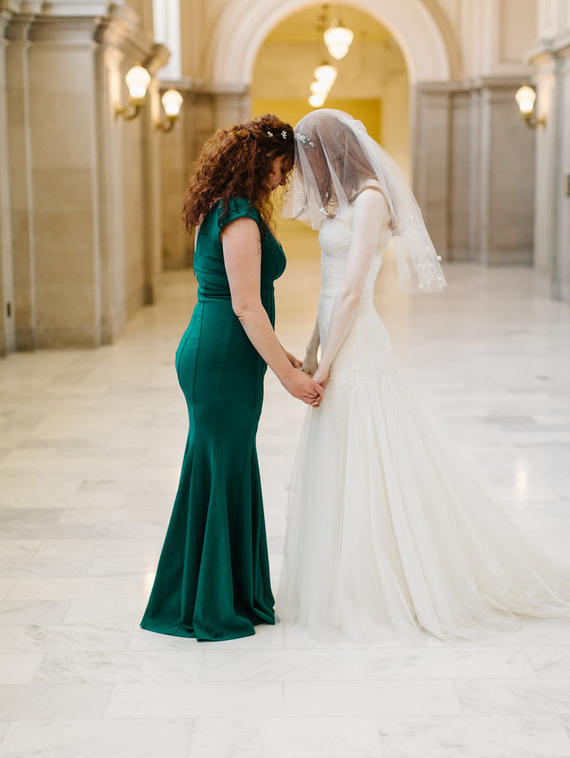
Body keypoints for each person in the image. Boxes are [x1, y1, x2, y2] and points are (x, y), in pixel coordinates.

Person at [278, 108, 570, 644]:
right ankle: (340, 574)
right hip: (335, 335)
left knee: (370, 451)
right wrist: (311, 349)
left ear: (333, 149)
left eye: (311, 155)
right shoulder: (337, 203)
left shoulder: (370, 199)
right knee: (339, 451)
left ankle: (379, 580)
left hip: (359, 342)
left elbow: (350, 290)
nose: (306, 168)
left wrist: (328, 362)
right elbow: (326, 286)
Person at [141, 114, 323, 642]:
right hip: (221, 355)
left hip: (223, 351)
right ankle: (212, 604)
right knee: (222, 468)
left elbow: (246, 306)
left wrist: (283, 356)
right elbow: (245, 305)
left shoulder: (222, 207)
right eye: (280, 167)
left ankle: (221, 592)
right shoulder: (238, 217)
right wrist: (287, 377)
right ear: (255, 161)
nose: (283, 178)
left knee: (224, 466)